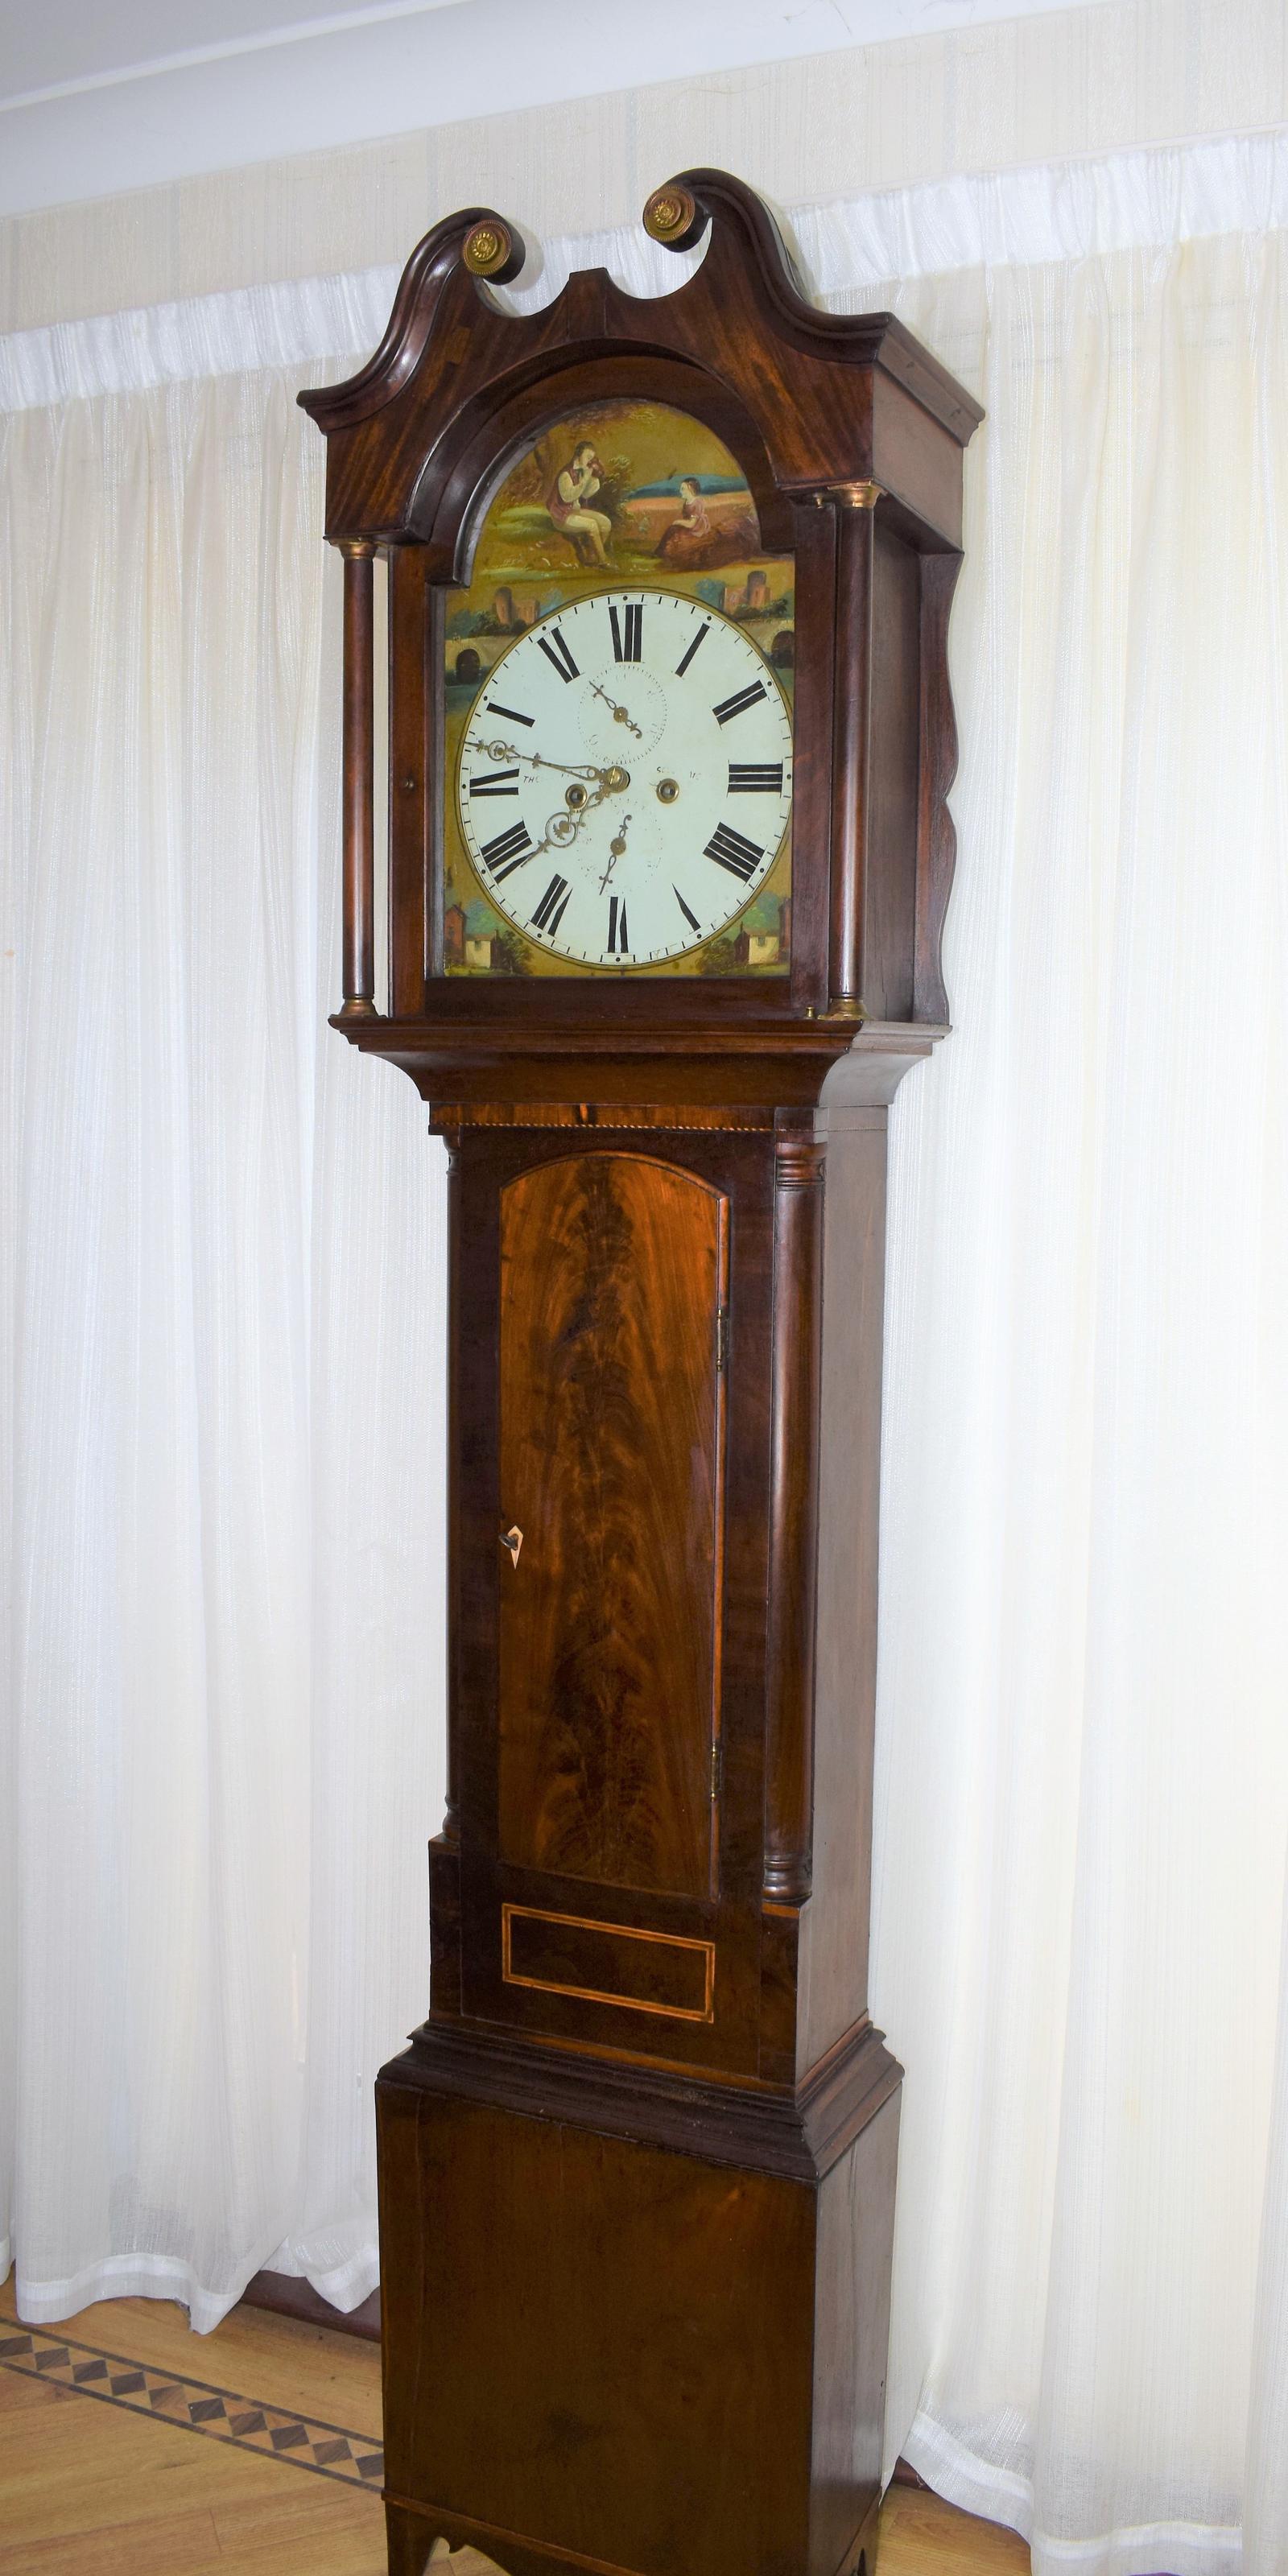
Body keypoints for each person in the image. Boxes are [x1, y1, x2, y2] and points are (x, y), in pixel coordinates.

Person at [547, 441, 613, 567]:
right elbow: (568, 498)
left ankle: (592, 556)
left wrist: (594, 478)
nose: (590, 461)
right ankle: (604, 560)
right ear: (578, 456)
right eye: (588, 457)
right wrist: (584, 480)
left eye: (591, 458)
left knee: (606, 523)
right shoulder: (565, 474)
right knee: (592, 525)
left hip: (574, 510)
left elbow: (586, 495)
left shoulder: (583, 471)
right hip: (562, 515)